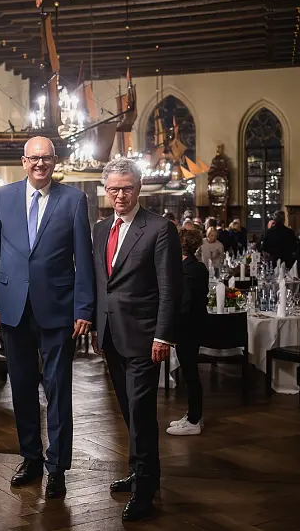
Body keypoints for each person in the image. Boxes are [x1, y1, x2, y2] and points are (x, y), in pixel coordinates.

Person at [0, 136, 94, 499]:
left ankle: (57, 466)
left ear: (55, 161)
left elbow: (83, 260)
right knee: (23, 389)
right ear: (23, 161)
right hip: (13, 308)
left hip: (58, 308)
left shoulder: (74, 199)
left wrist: (84, 307)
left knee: (59, 390)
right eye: (34, 158)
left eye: (46, 158)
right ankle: (30, 457)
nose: (40, 164)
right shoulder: (3, 197)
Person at [89, 158, 181, 521]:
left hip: (145, 337)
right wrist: (96, 325)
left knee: (141, 413)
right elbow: (101, 283)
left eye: (126, 187)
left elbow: (170, 288)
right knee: (127, 410)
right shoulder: (100, 229)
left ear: (139, 187)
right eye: (113, 188)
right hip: (110, 334)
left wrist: (164, 335)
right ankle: (142, 471)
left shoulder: (159, 228)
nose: (120, 194)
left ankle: (145, 489)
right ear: (106, 190)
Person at [167, 227, 207, 437]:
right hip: (195, 326)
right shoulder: (197, 266)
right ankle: (194, 415)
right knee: (190, 373)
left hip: (187, 328)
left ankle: (193, 420)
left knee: (190, 374)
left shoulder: (187, 269)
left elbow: (185, 303)